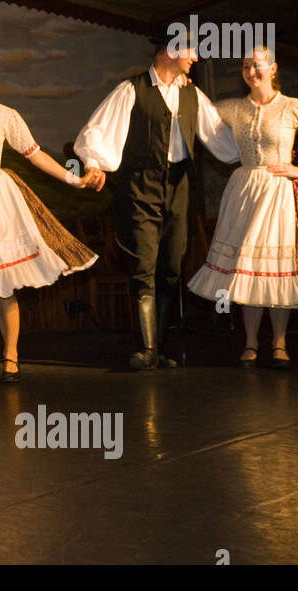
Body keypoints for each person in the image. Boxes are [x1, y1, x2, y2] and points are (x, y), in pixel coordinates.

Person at [74, 35, 238, 370]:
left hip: (178, 186)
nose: (195, 58)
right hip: (140, 184)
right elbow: (97, 131)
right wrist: (94, 161)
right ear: (172, 50)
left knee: (171, 267)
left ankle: (158, 347)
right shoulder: (132, 89)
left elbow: (220, 137)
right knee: (143, 264)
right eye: (190, 51)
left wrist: (256, 152)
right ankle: (147, 348)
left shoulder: (192, 93)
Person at [0, 50, 98, 382]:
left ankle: (10, 356)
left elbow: (35, 154)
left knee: (3, 283)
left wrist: (72, 177)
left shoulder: (6, 115)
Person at [187, 46, 298, 367]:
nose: (251, 72)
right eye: (246, 66)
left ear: (273, 68)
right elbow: (196, 114)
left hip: (279, 192)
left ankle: (279, 343)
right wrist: (183, 87)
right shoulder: (234, 107)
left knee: (275, 271)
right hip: (245, 191)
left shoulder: (292, 107)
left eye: (257, 65)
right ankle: (250, 344)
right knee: (249, 271)